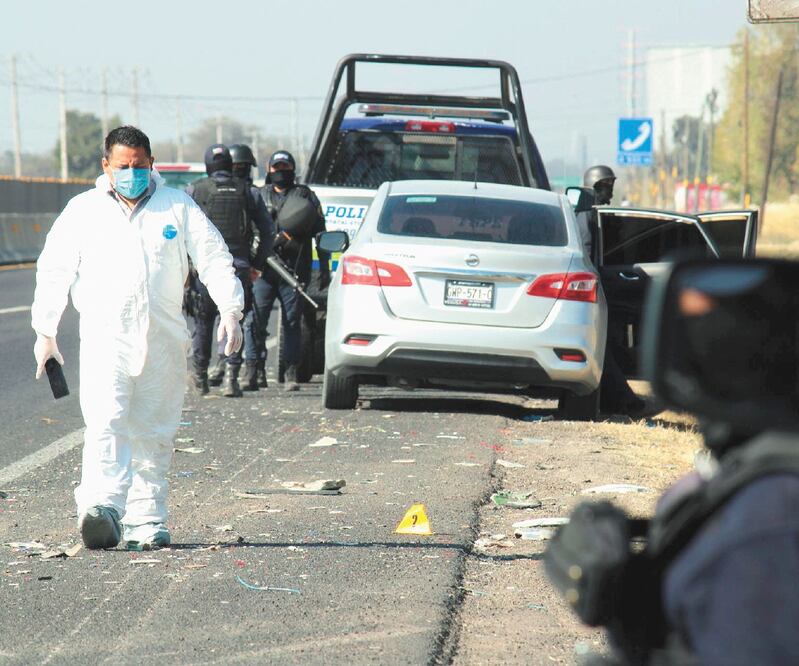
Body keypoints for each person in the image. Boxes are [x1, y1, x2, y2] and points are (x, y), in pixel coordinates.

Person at [31, 126, 244, 551]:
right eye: (123, 166)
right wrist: (45, 331)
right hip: (105, 338)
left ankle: (147, 519)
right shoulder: (84, 211)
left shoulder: (176, 207)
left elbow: (214, 257)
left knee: (154, 430)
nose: (132, 173)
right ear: (106, 166)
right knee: (106, 421)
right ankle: (101, 509)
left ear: (152, 164)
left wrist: (231, 309)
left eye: (139, 166)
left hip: (163, 340)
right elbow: (54, 270)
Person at [186, 144, 273, 397]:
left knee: (203, 322)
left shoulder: (194, 190)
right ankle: (231, 379)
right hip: (239, 268)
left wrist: (186, 267)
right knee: (233, 321)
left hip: (203, 270)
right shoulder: (248, 191)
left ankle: (200, 378)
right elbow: (267, 231)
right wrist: (257, 264)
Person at [244, 150, 330, 391]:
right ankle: (253, 369)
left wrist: (324, 268)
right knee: (255, 320)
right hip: (262, 268)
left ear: (292, 169)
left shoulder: (305, 196)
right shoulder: (259, 195)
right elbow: (247, 229)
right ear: (269, 170)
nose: (280, 171)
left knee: (293, 322)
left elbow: (320, 233)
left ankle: (290, 372)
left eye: (285, 167)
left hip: (294, 270)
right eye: (276, 167)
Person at [581, 165, 648, 416]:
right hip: (590, 290)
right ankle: (624, 401)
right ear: (595, 187)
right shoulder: (585, 216)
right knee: (601, 349)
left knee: (611, 344)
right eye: (606, 188)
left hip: (601, 287)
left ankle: (617, 399)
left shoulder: (598, 216)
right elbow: (588, 254)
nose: (610, 195)